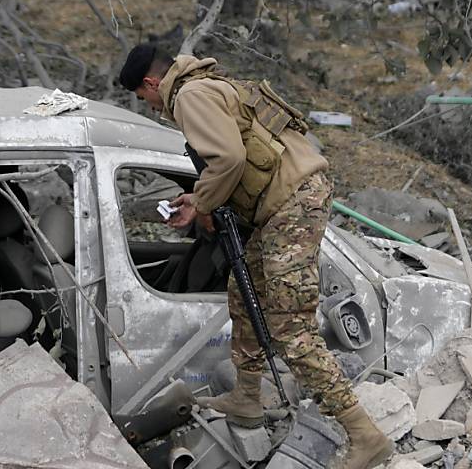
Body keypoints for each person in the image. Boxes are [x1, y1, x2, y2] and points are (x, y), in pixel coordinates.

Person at [118, 42, 393, 469]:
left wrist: (205, 204)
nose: (152, 107)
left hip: (291, 203)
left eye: (145, 98)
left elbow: (228, 159)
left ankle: (364, 434)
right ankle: (247, 397)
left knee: (290, 329)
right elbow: (234, 159)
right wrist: (198, 199)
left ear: (152, 83)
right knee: (243, 294)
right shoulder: (205, 84)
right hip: (283, 203)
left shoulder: (189, 95)